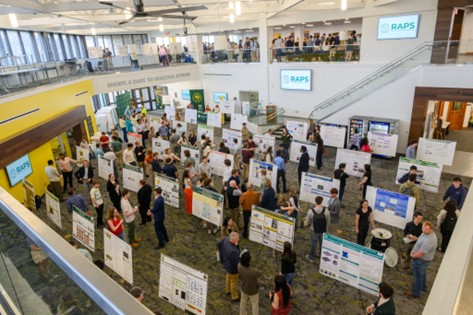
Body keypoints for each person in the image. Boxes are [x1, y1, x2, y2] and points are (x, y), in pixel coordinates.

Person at [405, 221, 438, 299]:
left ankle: (415, 293)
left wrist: (412, 256)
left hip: (421, 260)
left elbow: (421, 253)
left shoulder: (430, 240)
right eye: (423, 228)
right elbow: (420, 239)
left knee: (417, 277)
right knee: (422, 274)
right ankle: (423, 287)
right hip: (421, 260)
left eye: (426, 229)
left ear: (431, 229)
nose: (423, 230)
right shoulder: (426, 233)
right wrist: (414, 238)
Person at [304, 196, 330, 263]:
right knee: (322, 243)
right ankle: (321, 255)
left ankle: (312, 257)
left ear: (315, 201)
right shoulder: (326, 211)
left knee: (314, 243)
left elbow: (307, 222)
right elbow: (328, 222)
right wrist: (326, 231)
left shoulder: (311, 211)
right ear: (322, 202)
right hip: (323, 230)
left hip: (313, 230)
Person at [216, 232, 240, 302]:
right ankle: (234, 296)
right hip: (233, 269)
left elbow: (218, 243)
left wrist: (221, 255)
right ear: (233, 240)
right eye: (238, 239)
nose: (239, 239)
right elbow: (236, 263)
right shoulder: (233, 251)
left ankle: (228, 290)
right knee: (234, 282)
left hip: (226, 264)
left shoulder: (225, 239)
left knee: (228, 277)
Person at [238, 250, 262, 315]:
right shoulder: (254, 271)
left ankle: (242, 313)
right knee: (254, 305)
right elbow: (260, 272)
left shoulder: (239, 266)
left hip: (244, 288)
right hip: (253, 291)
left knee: (242, 302)